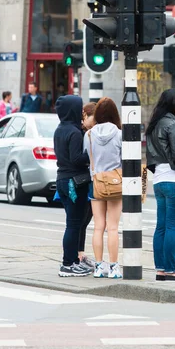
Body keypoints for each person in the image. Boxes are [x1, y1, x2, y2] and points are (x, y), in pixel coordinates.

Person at [146, 89, 175, 282]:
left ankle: (160, 270)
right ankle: (171, 269)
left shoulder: (154, 124)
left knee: (161, 227)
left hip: (158, 179)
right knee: (173, 226)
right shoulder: (173, 124)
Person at [83, 98, 123, 279]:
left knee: (98, 226)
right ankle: (114, 267)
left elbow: (87, 154)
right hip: (115, 183)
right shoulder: (120, 134)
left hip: (96, 182)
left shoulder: (89, 135)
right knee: (113, 227)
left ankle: (99, 267)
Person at [54, 95, 93, 277]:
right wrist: (92, 155)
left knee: (73, 223)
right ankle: (68, 264)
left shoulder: (60, 129)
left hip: (62, 179)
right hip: (74, 182)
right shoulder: (75, 132)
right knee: (74, 224)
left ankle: (72, 261)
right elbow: (77, 158)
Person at [78, 102, 97, 268]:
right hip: (82, 181)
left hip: (90, 180)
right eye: (93, 117)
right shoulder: (81, 133)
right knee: (81, 220)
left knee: (85, 219)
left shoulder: (90, 132)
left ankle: (80, 253)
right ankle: (78, 254)